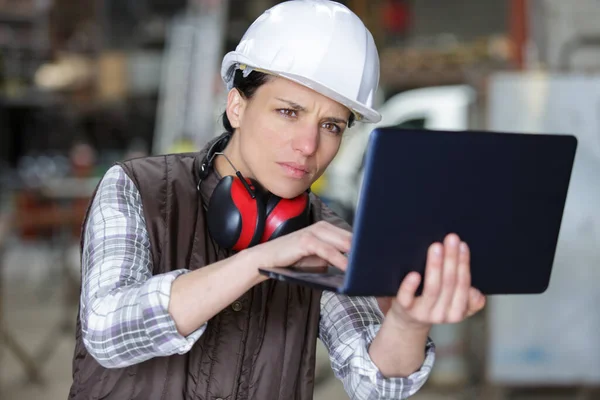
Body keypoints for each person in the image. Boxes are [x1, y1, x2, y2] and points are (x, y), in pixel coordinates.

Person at [68, 1, 486, 399]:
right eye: (289, 112)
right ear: (236, 105)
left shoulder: (323, 235)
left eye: (332, 126)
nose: (308, 145)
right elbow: (107, 331)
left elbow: (375, 383)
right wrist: (262, 259)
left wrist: (408, 322)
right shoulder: (137, 187)